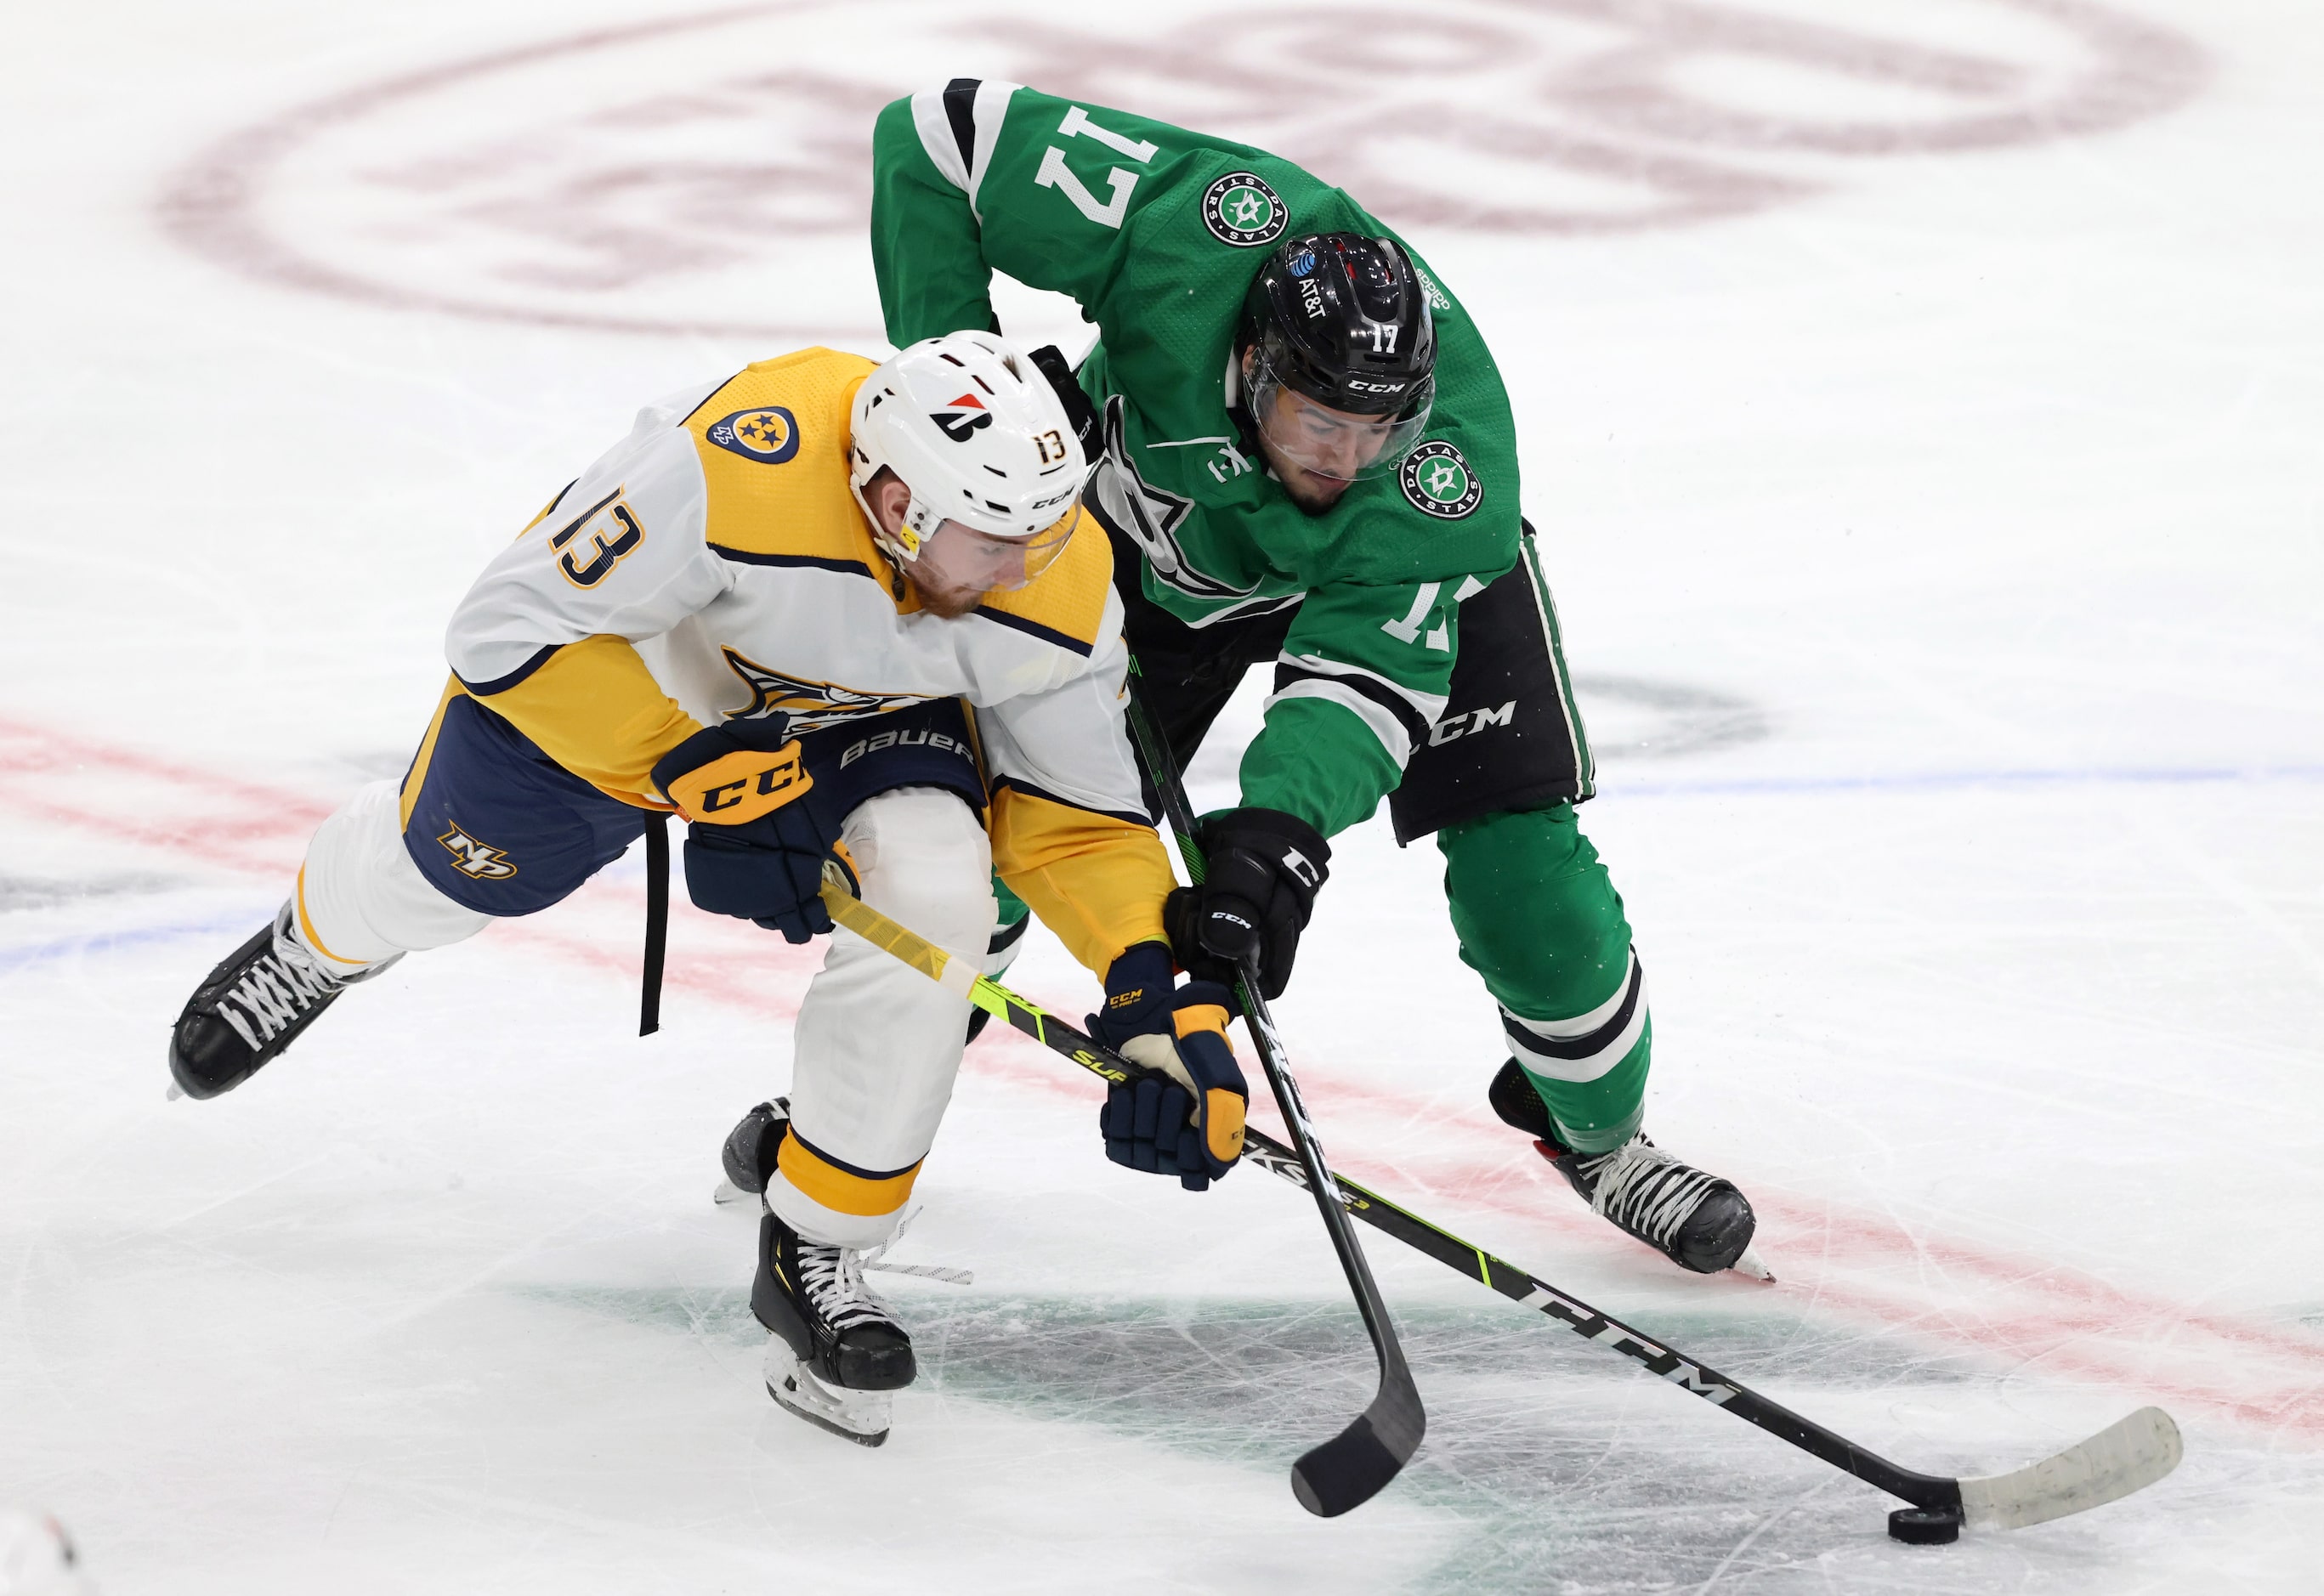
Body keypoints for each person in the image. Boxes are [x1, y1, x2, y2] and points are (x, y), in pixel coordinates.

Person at [163, 332, 1250, 1446]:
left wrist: (1145, 984)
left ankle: (817, 1237)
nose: (1026, 568)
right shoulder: (735, 458)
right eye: (995, 542)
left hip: (857, 719)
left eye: (1040, 533)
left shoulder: (1043, 563)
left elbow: (1074, 814)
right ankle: (319, 940)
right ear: (895, 499)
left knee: (940, 894)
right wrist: (672, 746)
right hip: (631, 687)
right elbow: (507, 626)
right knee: (446, 876)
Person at [869, 83, 1757, 1276]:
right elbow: (936, 137)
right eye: (1316, 424)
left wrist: (1273, 839)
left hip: (1382, 586)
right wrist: (965, 367)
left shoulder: (1436, 483)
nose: (1342, 462)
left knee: (1522, 866)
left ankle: (1597, 1136)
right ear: (1249, 363)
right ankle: (856, 1131)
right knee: (996, 844)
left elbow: (1360, 679)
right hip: (1141, 554)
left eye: (1372, 432)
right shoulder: (1194, 222)